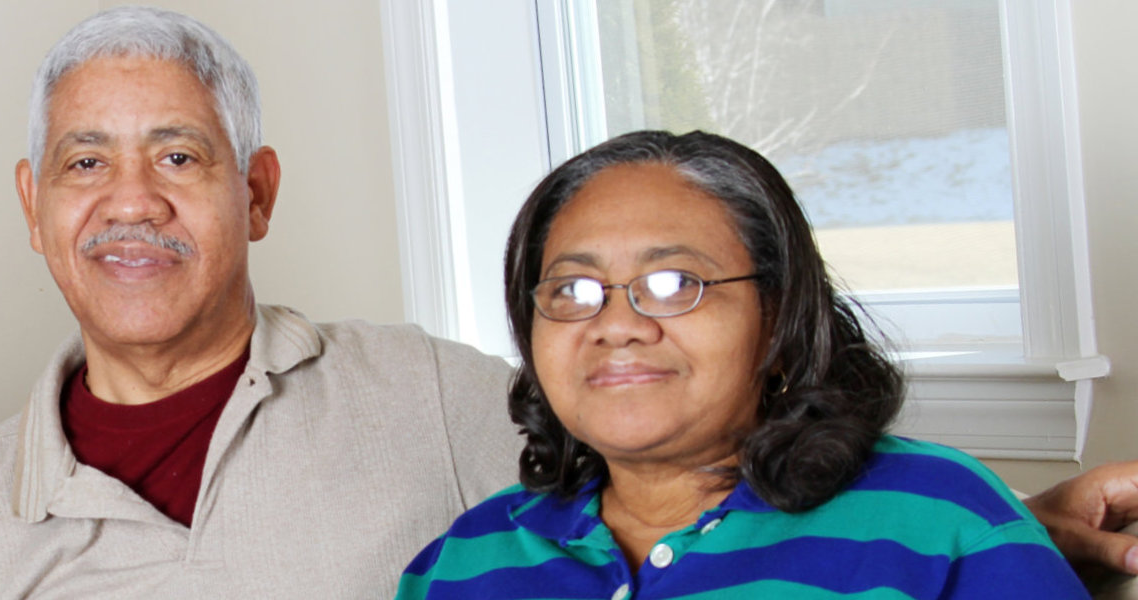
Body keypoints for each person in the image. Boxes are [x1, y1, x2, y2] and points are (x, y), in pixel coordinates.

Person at [0, 7, 520, 599]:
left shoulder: (428, 395)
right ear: (34, 205)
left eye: (178, 157)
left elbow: (629, 508)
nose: (132, 201)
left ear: (256, 194)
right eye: (87, 162)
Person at [396, 130, 1087, 599]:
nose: (617, 326)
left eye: (673, 283)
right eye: (572, 291)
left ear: (779, 319)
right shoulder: (463, 562)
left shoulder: (939, 519)